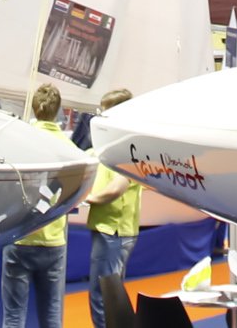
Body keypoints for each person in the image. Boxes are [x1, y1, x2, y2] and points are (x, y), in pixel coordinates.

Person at [3, 83, 71, 328]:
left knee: (13, 317)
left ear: (33, 108)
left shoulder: (20, 141)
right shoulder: (70, 149)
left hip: (21, 237)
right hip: (53, 242)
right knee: (52, 316)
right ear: (58, 109)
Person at [83, 88, 141, 328]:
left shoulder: (126, 148)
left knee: (103, 297)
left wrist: (88, 199)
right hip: (113, 231)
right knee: (111, 296)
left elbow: (117, 188)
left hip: (114, 232)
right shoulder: (115, 146)